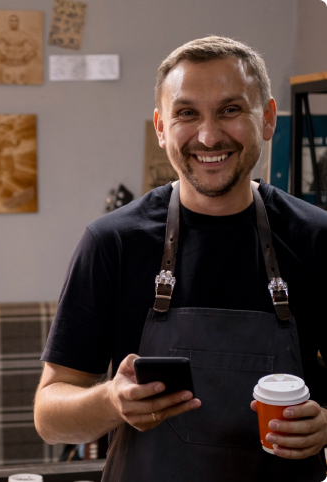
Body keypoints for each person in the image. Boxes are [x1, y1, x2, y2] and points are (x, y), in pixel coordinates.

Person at [34, 36, 327, 481]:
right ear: (160, 127)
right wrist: (112, 400)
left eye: (231, 110)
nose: (208, 136)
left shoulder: (316, 238)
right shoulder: (112, 242)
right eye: (187, 113)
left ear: (267, 119)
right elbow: (49, 413)